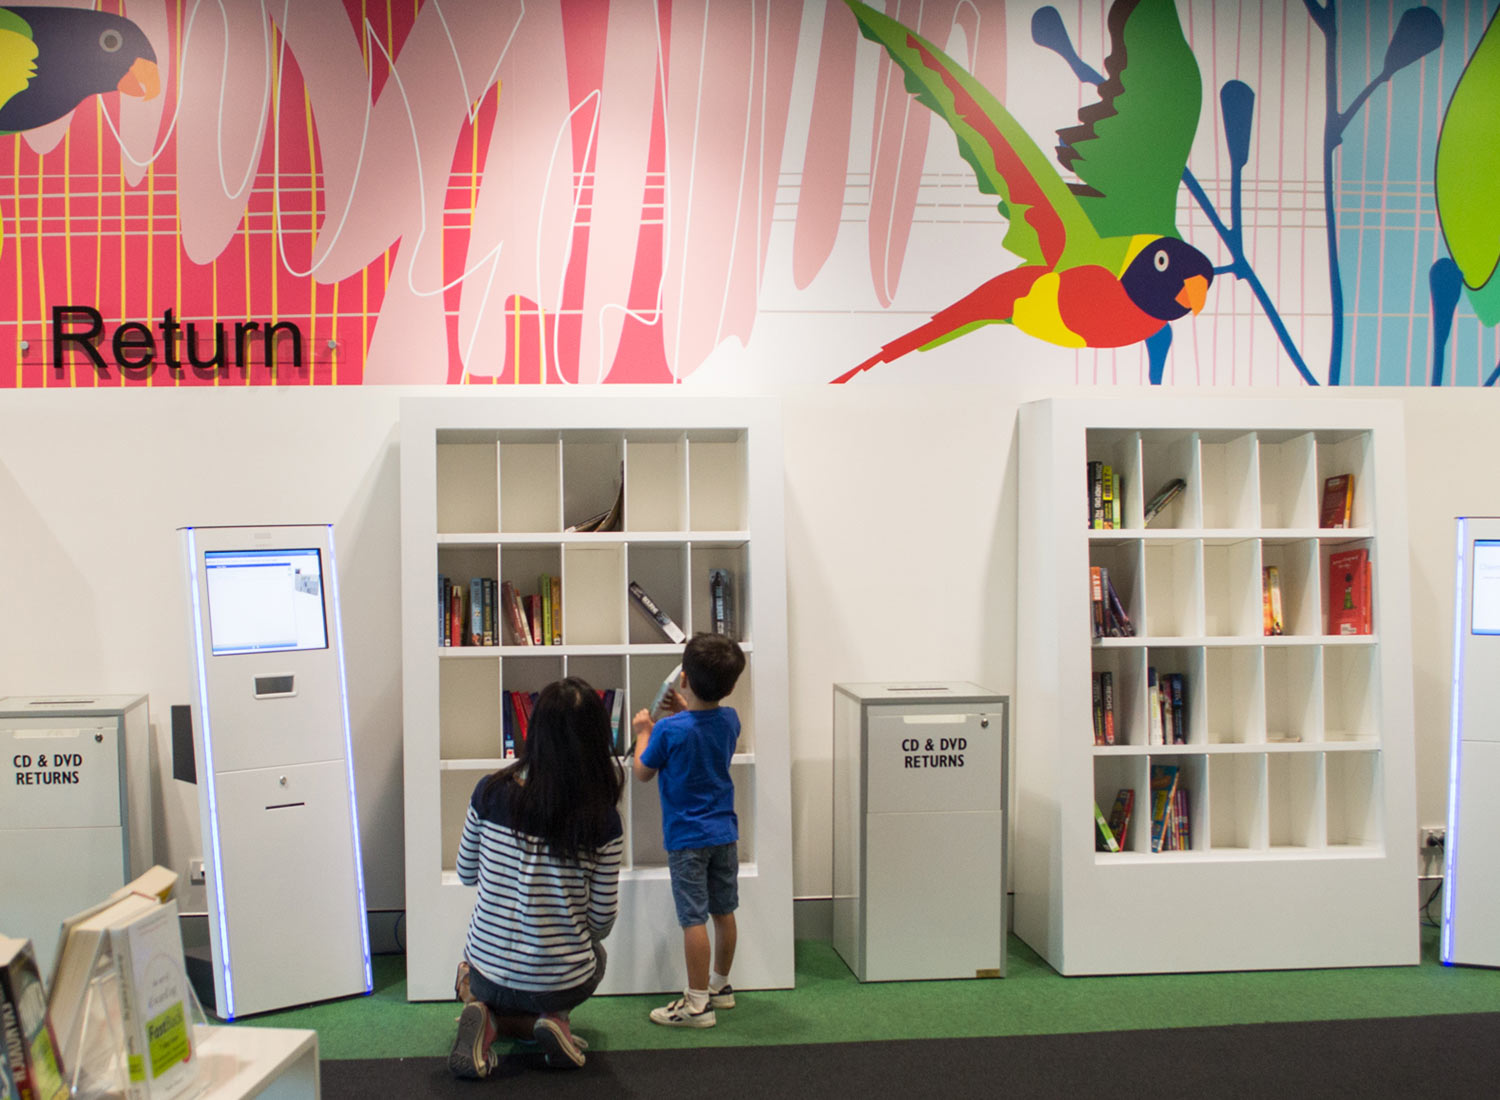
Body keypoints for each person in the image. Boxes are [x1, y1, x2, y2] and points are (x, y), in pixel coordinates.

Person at [449, 677, 624, 1078]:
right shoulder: (603, 819)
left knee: (467, 972)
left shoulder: (489, 792)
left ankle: (487, 1019)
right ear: (596, 738)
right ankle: (550, 1021)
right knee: (596, 957)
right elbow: (601, 921)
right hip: (560, 981)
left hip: (487, 971)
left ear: (535, 731)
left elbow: (465, 872)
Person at [631, 632, 747, 1028]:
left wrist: (643, 731)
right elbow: (703, 731)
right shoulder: (731, 720)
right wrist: (685, 708)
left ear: (683, 679)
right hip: (724, 833)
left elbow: (643, 771)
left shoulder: (667, 731)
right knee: (724, 911)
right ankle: (720, 986)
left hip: (687, 840)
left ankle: (697, 1005)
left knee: (692, 918)